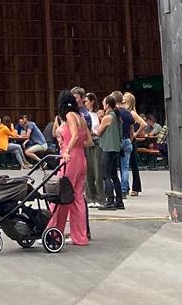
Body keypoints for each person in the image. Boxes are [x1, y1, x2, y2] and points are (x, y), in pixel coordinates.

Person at [48, 88, 91, 246]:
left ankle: (53, 232)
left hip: (70, 159)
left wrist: (66, 148)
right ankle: (80, 236)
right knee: (77, 198)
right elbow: (89, 141)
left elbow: (73, 135)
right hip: (82, 159)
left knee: (60, 195)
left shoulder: (69, 115)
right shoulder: (81, 117)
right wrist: (77, 145)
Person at [95, 95, 124, 210]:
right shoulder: (116, 116)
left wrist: (100, 118)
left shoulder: (107, 117)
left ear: (107, 105)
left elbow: (98, 132)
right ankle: (119, 200)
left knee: (105, 175)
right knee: (114, 175)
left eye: (104, 103)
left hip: (108, 148)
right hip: (116, 148)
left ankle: (110, 199)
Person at [118, 92, 144, 197]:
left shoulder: (131, 112)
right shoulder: (126, 112)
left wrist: (135, 134)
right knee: (128, 164)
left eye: (125, 98)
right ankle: (129, 186)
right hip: (129, 139)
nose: (123, 99)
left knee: (132, 164)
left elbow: (143, 124)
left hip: (130, 139)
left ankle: (135, 187)